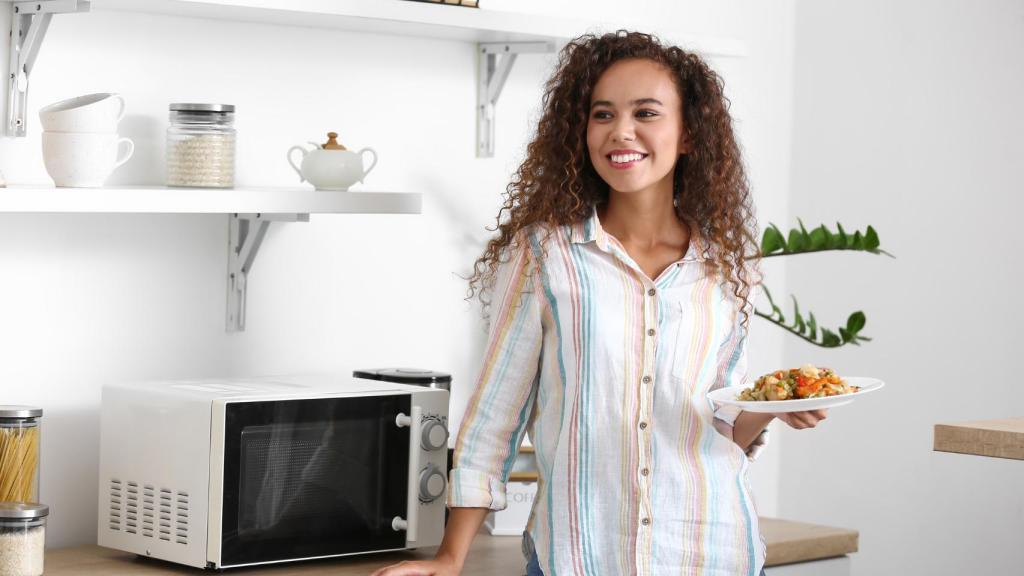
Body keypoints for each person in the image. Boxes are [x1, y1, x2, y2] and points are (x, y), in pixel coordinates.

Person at [372, 30, 826, 576]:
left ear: (688, 135)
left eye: (646, 113)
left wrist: (771, 407)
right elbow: (496, 414)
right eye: (603, 114)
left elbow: (717, 427)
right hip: (579, 556)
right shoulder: (545, 256)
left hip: (712, 552)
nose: (621, 132)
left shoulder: (727, 267)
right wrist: (450, 556)